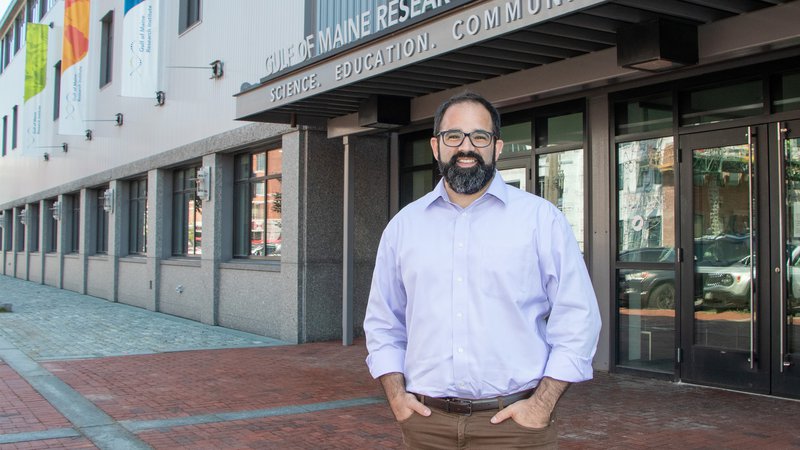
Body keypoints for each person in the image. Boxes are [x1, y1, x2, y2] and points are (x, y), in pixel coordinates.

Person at [364, 91, 602, 449]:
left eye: (479, 137)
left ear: (497, 147)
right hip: (426, 427)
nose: (466, 147)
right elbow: (384, 323)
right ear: (435, 146)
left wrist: (541, 405)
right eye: (453, 136)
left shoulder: (541, 220)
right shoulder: (403, 227)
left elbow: (578, 319)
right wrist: (397, 396)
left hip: (515, 429)